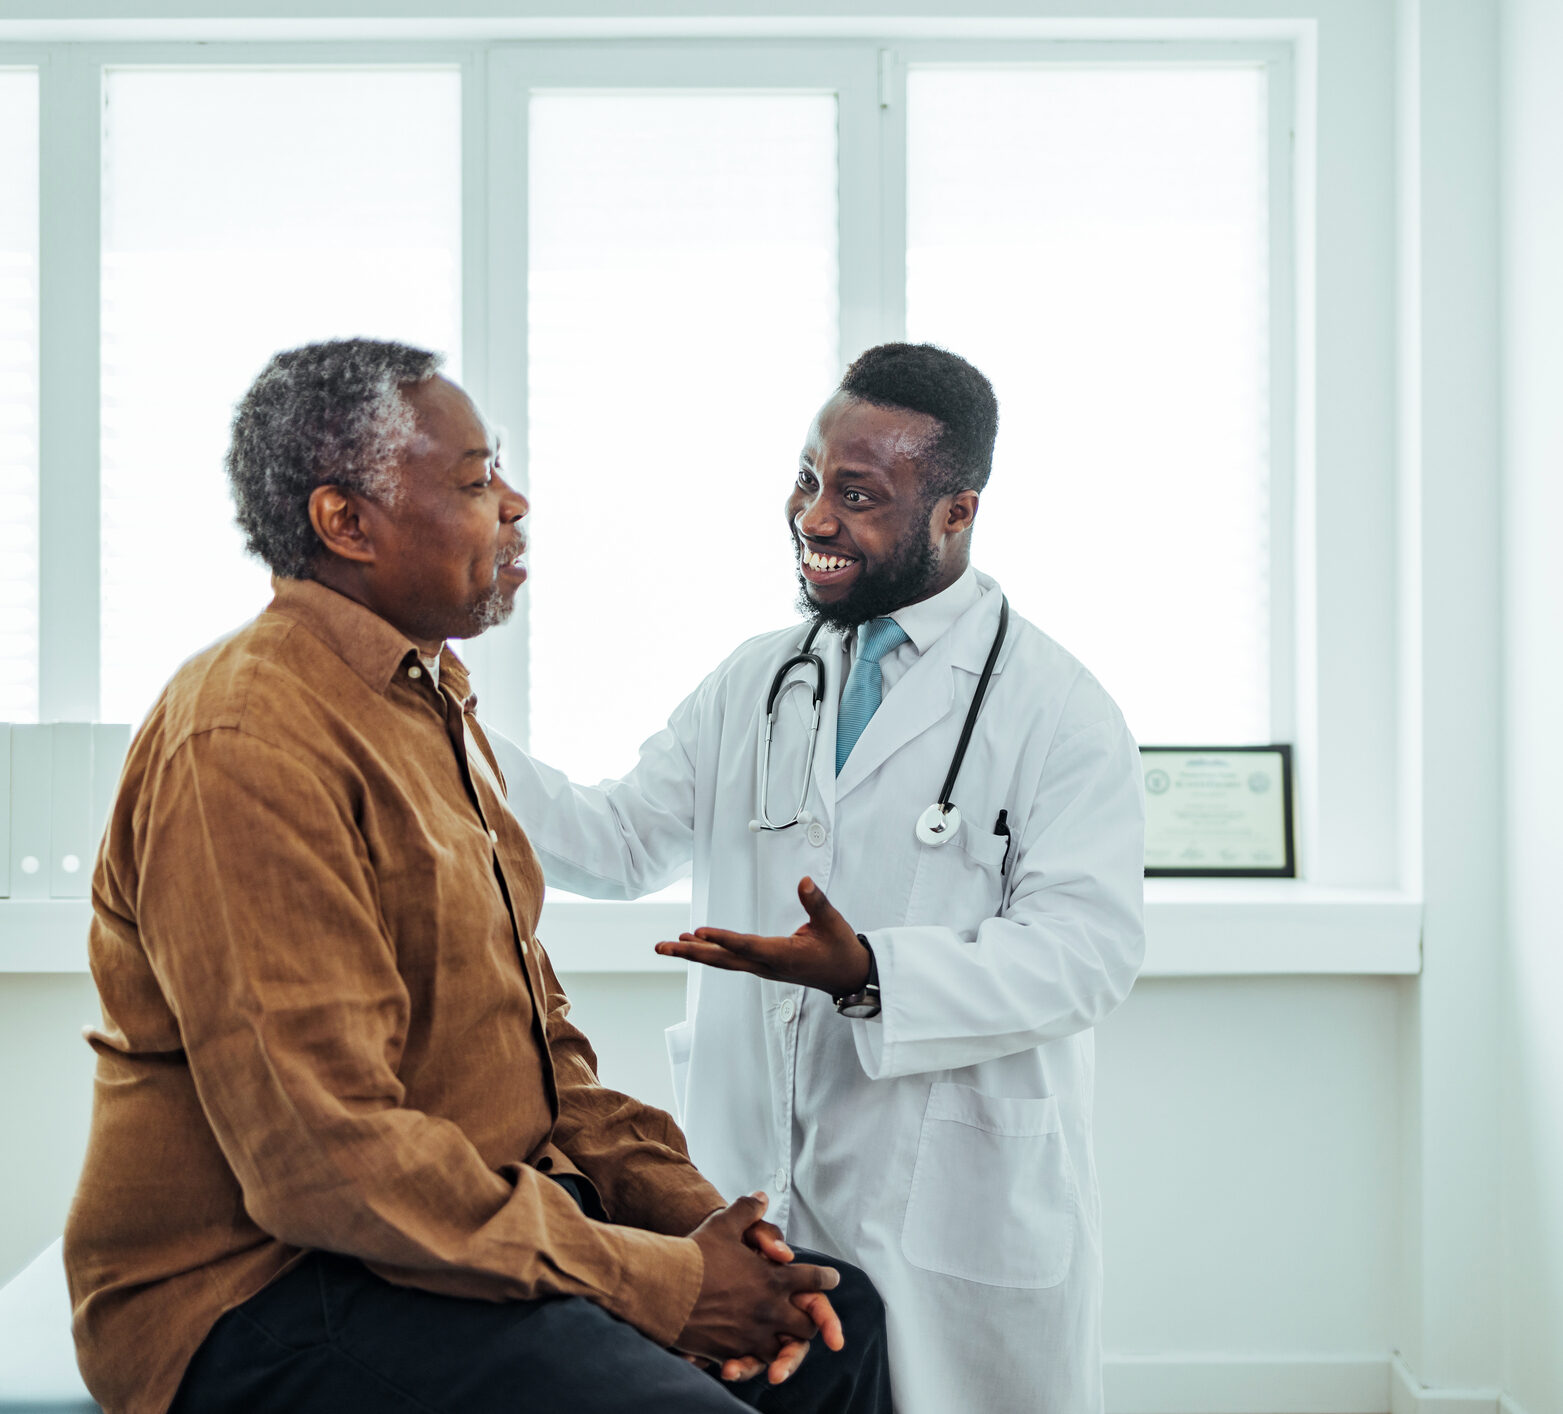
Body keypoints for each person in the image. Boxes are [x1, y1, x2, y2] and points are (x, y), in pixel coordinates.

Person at [63, 338, 891, 1414]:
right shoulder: (245, 740)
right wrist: (661, 1286)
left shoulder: (428, 699)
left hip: (433, 1237)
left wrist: (703, 1231)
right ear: (345, 523)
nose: (514, 502)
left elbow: (543, 1057)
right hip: (262, 1288)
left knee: (833, 1317)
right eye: (472, 479)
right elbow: (328, 1166)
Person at [487, 343, 1147, 1413]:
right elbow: (614, 842)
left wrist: (873, 972)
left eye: (859, 495)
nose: (814, 517)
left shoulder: (1058, 710)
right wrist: (451, 719)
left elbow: (1088, 954)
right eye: (807, 478)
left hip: (951, 1208)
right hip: (759, 1182)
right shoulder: (762, 678)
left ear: (955, 511)